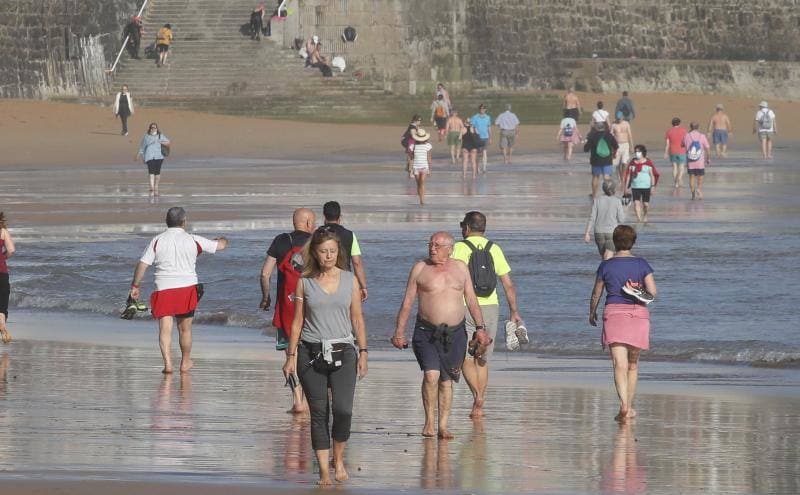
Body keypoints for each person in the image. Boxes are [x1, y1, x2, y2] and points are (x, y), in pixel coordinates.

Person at [281, 226, 368, 486]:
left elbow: (357, 319)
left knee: (342, 410)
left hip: (345, 352)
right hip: (311, 353)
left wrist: (363, 352)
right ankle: (324, 471)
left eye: (332, 251)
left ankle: (338, 459)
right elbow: (297, 322)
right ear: (315, 254)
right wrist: (290, 355)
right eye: (323, 252)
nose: (328, 255)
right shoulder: (304, 282)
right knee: (319, 413)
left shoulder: (350, 280)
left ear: (337, 252)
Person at [391, 231, 489, 438]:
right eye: (430, 244)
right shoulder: (420, 268)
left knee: (446, 380)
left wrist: (480, 328)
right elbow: (407, 301)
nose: (432, 248)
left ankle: (443, 426)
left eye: (437, 245)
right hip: (426, 332)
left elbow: (471, 299)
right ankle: (429, 422)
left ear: (449, 249)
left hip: (455, 333)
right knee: (431, 374)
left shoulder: (460, 268)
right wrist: (399, 331)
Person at [129, 207, 228, 373]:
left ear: (167, 222)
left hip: (164, 289)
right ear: (184, 222)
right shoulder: (193, 239)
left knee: (165, 329)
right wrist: (223, 239)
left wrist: (135, 286)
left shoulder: (157, 240)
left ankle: (168, 364)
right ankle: (185, 362)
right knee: (185, 329)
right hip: (187, 289)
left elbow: (142, 264)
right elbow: (221, 246)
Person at [452, 211, 523, 418]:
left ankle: (476, 396)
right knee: (482, 357)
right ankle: (480, 402)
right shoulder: (495, 249)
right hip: (492, 305)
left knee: (465, 356)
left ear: (466, 228)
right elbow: (508, 284)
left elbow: (452, 279)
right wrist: (514, 311)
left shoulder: (459, 248)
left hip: (465, 306)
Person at [589, 225, 657, 423]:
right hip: (639, 315)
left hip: (615, 314)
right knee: (633, 365)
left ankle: (624, 405)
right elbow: (652, 292)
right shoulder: (642, 264)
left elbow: (596, 293)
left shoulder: (606, 266)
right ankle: (629, 405)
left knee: (619, 364)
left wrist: (592, 312)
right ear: (633, 242)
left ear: (614, 242)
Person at [260, 207, 316, 414]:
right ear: (309, 223)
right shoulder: (318, 242)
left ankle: (297, 400)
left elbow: (265, 274)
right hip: (312, 309)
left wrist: (266, 297)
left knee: (289, 356)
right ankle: (312, 399)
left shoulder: (281, 240)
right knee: (312, 356)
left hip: (286, 308)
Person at [322, 201, 368, 301]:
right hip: (344, 280)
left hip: (321, 279)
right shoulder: (349, 235)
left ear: (324, 216)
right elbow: (357, 263)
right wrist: (363, 286)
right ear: (340, 217)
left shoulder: (317, 234)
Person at [585, 181, 625, 260]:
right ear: (614, 189)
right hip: (612, 232)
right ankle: (608, 271)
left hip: (598, 233)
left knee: (604, 257)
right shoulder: (617, 201)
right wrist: (625, 210)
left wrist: (587, 233)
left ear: (603, 189)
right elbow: (621, 219)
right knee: (608, 257)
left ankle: (604, 271)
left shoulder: (597, 200)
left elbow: (592, 217)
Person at [623, 145, 660, 223]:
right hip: (635, 186)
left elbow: (652, 175)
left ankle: (645, 215)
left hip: (646, 187)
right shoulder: (632, 163)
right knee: (636, 203)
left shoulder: (648, 162)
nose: (637, 153)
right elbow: (628, 175)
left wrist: (653, 187)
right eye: (636, 152)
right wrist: (626, 187)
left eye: (639, 151)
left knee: (645, 204)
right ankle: (639, 220)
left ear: (643, 152)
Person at [584, 122, 618, 198]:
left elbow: (586, 149)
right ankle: (609, 194)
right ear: (604, 127)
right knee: (607, 177)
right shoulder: (609, 135)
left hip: (596, 161)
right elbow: (616, 146)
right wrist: (613, 154)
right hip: (607, 160)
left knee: (595, 177)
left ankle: (594, 195)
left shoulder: (592, 136)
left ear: (596, 128)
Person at [135, 122, 170, 195]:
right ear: (150, 128)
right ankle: (151, 187)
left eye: (155, 127)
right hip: (149, 156)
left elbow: (168, 142)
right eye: (152, 127)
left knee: (157, 172)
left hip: (159, 156)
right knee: (151, 172)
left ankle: (156, 185)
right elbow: (142, 147)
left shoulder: (161, 135)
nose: (153, 129)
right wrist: (138, 155)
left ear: (157, 128)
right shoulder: (146, 136)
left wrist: (161, 142)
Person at [683, 122, 711, 200]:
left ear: (690, 127)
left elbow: (682, 145)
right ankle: (698, 188)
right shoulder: (702, 136)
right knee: (700, 176)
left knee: (691, 177)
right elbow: (707, 148)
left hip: (690, 161)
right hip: (700, 162)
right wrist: (708, 158)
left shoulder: (687, 136)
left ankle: (693, 194)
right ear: (698, 127)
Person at [0, 212, 16, 344]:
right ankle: (2, 326)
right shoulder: (3, 231)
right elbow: (11, 250)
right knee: (2, 303)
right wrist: (3, 257)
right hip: (1, 272)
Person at [410, 129, 433, 206]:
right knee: (419, 184)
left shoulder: (428, 146)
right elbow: (412, 158)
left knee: (422, 182)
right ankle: (421, 199)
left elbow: (429, 158)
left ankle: (422, 201)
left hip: (424, 167)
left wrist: (430, 169)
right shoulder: (413, 146)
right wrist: (410, 169)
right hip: (416, 167)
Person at [664, 117, 688, 189]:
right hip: (682, 151)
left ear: (672, 123)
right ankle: (679, 179)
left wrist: (666, 153)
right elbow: (686, 141)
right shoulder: (684, 130)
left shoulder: (669, 131)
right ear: (679, 123)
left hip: (672, 151)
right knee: (681, 167)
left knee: (674, 167)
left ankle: (676, 183)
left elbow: (667, 144)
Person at [611, 111, 634, 182]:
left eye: (620, 118)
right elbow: (610, 136)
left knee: (624, 162)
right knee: (617, 164)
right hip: (616, 146)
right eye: (618, 119)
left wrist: (631, 146)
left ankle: (623, 176)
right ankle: (620, 177)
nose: (619, 120)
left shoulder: (626, 124)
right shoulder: (614, 125)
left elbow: (630, 135)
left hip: (625, 144)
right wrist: (611, 148)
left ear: (622, 117)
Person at [470, 104, 492, 173]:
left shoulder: (488, 117)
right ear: (479, 109)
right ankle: (477, 168)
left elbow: (489, 128)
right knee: (478, 154)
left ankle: (484, 168)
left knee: (484, 152)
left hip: (485, 137)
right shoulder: (474, 117)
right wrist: (472, 136)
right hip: (477, 137)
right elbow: (471, 127)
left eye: (483, 108)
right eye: (481, 108)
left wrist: (490, 137)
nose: (482, 110)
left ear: (485, 109)